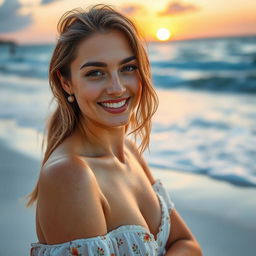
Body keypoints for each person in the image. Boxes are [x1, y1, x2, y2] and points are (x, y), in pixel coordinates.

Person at [27, 4, 202, 256]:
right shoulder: (69, 175)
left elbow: (188, 244)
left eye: (128, 68)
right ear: (66, 83)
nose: (117, 87)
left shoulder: (130, 152)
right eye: (96, 73)